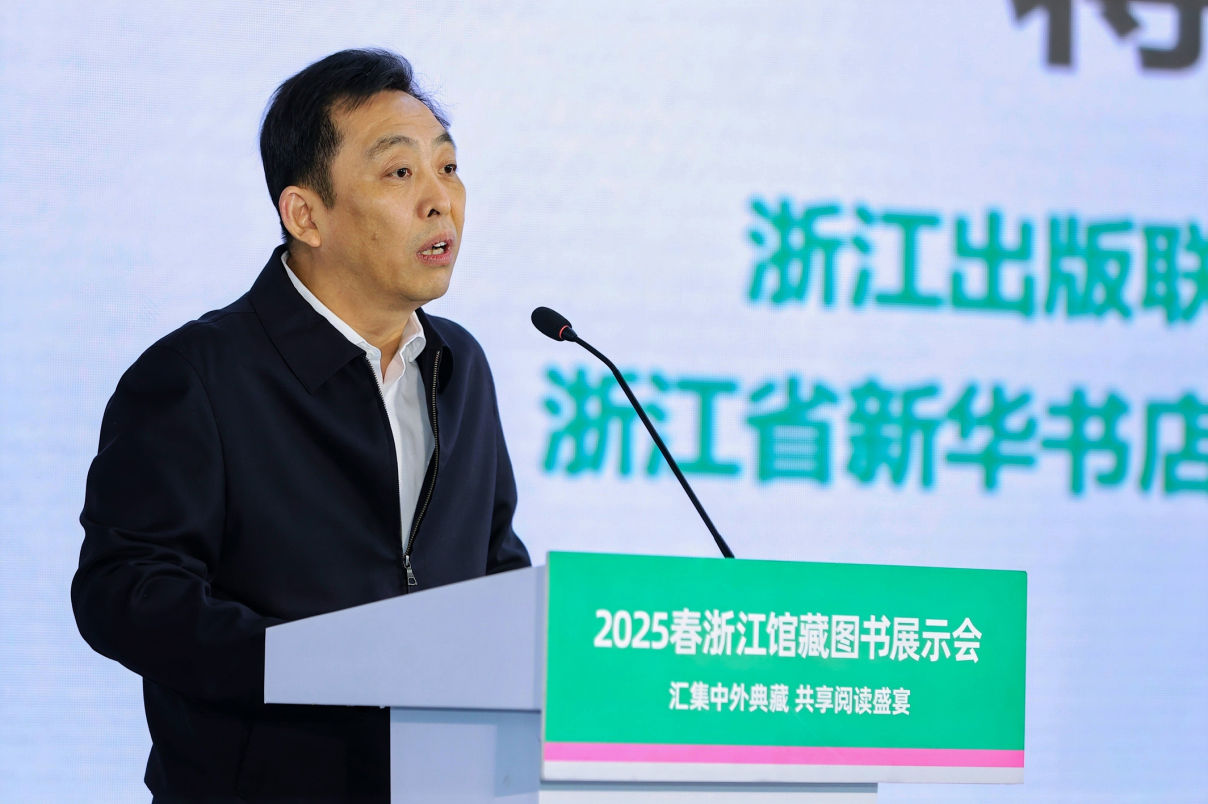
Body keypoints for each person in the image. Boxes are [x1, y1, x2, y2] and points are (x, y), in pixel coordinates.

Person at [71, 48, 530, 802]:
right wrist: (309, 662)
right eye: (400, 172)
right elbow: (123, 592)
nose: (440, 200)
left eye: (448, 168)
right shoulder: (198, 375)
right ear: (305, 215)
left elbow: (491, 565)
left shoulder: (459, 367)